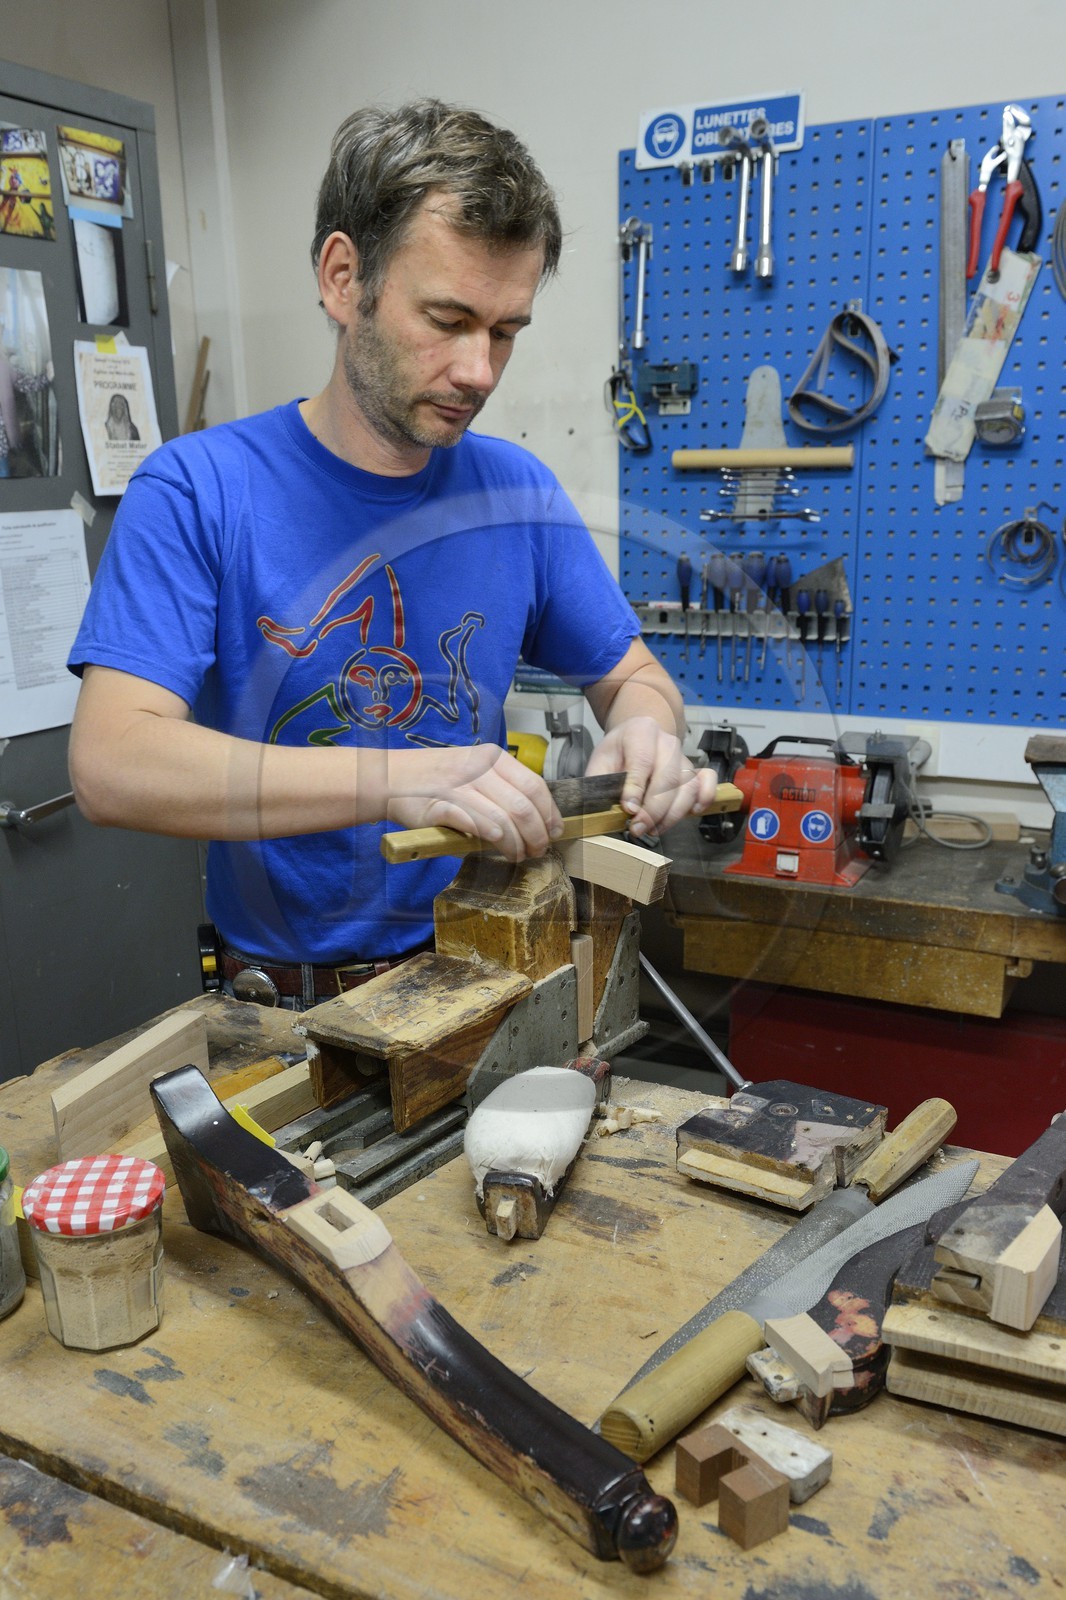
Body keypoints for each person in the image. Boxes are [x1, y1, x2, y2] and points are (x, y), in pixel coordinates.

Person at [68, 99, 717, 1007]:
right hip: (283, 1005)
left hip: (487, 975)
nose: (480, 371)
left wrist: (648, 729)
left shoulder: (516, 495)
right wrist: (398, 778)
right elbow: (112, 765)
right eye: (447, 320)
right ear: (343, 278)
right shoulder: (198, 489)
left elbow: (635, 678)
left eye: (505, 332)